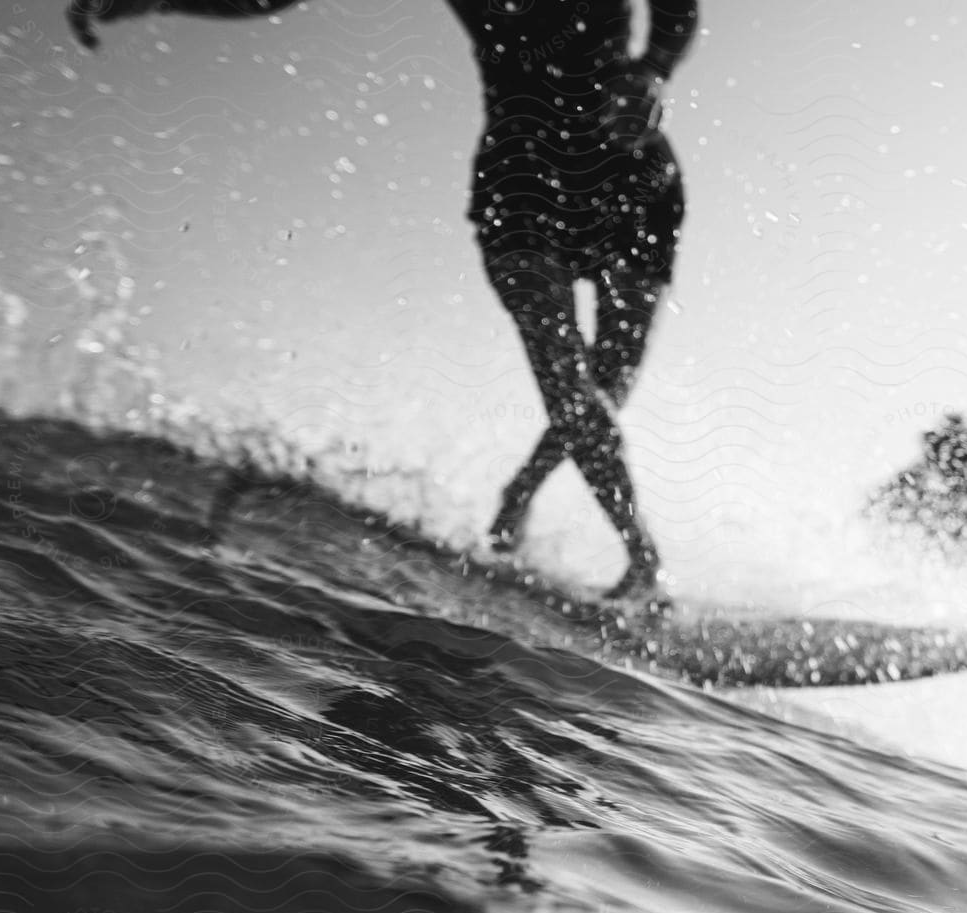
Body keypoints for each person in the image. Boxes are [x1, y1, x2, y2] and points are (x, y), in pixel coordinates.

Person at [70, 0, 700, 599]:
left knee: (610, 378)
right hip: (522, 173)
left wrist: (651, 72)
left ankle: (520, 491)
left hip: (628, 165)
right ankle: (643, 561)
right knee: (567, 382)